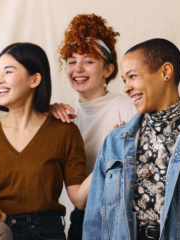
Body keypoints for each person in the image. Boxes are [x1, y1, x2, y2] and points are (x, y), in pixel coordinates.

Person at [84, 38, 180, 240]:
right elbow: (95, 222)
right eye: (124, 80)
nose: (126, 88)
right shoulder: (115, 141)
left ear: (165, 72)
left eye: (132, 77)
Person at [0, 42, 92, 240]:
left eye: (8, 72)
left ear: (34, 79)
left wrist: (107, 158)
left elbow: (79, 199)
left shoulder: (65, 132)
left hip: (48, 232)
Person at [50, 14, 137, 239]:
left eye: (88, 61)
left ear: (107, 70)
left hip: (121, 216)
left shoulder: (125, 107)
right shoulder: (65, 117)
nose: (78, 68)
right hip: (82, 217)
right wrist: (43, 115)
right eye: (71, 61)